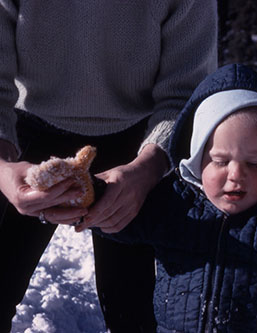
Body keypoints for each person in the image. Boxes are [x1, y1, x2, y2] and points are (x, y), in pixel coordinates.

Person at [0, 1, 217, 332]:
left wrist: (148, 169)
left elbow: (186, 95)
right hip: (23, 133)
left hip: (142, 144)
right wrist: (1, 167)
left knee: (137, 311)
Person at [91, 64, 257, 332]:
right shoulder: (172, 201)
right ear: (197, 155)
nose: (236, 175)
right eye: (220, 161)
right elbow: (119, 217)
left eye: (254, 164)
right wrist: (88, 195)